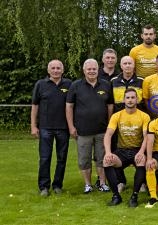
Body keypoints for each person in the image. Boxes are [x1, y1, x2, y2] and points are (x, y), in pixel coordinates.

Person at [66, 59, 114, 194]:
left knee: (102, 158)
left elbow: (110, 106)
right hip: (83, 131)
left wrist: (110, 124)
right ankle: (88, 184)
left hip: (102, 131)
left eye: (94, 69)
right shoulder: (75, 85)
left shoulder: (106, 85)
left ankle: (102, 183)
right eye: (89, 69)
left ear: (98, 70)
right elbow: (69, 106)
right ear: (84, 70)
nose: (92, 71)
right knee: (84, 159)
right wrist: (71, 126)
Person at [103, 88, 150, 207]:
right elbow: (108, 135)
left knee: (142, 160)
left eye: (133, 97)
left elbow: (146, 137)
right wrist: (108, 152)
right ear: (124, 100)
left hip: (137, 149)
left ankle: (134, 196)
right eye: (128, 98)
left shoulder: (144, 116)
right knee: (107, 161)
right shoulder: (116, 115)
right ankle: (116, 196)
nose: (130, 100)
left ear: (137, 100)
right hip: (122, 151)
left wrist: (141, 152)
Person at [31, 59, 72, 196]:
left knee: (62, 158)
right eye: (53, 68)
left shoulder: (68, 84)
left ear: (62, 70)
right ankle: (44, 187)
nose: (55, 70)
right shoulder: (41, 84)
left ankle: (57, 185)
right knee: (44, 158)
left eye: (58, 68)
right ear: (48, 70)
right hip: (45, 128)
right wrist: (33, 126)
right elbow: (35, 106)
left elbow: (72, 106)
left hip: (63, 128)